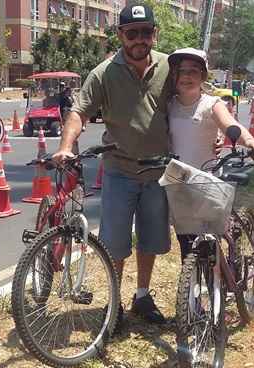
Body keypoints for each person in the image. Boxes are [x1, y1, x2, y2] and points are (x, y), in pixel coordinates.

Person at [53, 3, 171, 327]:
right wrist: (65, 146)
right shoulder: (104, 73)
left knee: (150, 240)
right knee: (115, 243)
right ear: (120, 35)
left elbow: (191, 102)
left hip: (158, 172)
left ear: (154, 34)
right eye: (132, 33)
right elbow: (79, 112)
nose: (139, 40)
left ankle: (143, 296)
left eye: (145, 32)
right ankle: (116, 302)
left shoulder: (169, 68)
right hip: (119, 170)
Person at [165, 48, 254, 261]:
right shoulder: (167, 105)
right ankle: (193, 291)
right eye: (182, 71)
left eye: (194, 71)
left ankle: (219, 284)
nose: (187, 77)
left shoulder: (212, 104)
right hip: (177, 183)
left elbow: (230, 124)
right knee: (186, 245)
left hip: (206, 180)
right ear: (174, 75)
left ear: (203, 76)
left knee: (210, 246)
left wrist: (249, 141)